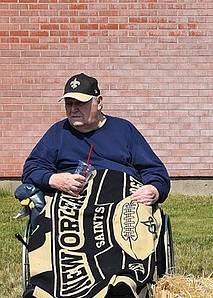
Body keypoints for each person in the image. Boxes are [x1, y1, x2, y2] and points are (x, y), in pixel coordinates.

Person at [22, 73, 170, 206]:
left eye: (80, 103)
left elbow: (154, 170)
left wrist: (153, 189)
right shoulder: (58, 132)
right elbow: (31, 170)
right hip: (71, 204)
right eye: (69, 103)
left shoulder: (123, 129)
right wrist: (54, 180)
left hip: (121, 201)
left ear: (99, 102)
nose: (73, 109)